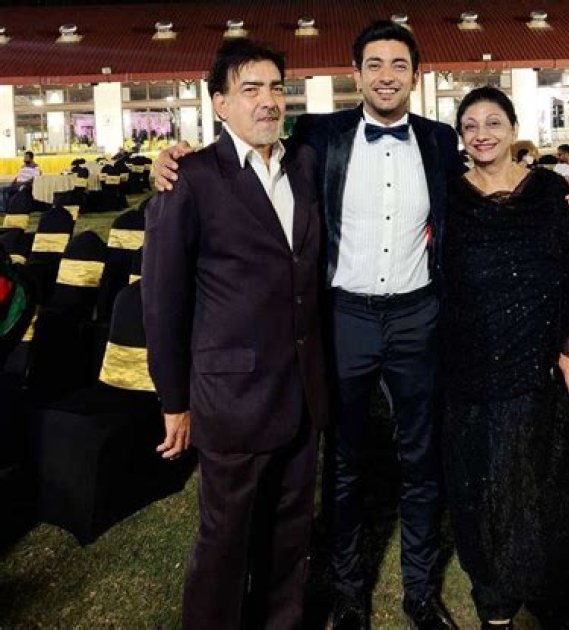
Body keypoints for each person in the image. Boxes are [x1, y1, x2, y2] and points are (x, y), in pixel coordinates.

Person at [153, 22, 569, 630]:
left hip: (418, 317)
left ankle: (420, 592)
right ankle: (347, 593)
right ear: (355, 75)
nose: (387, 76)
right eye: (374, 65)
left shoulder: (439, 141)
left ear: (416, 76)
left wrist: (560, 196)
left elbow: (494, 188)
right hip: (344, 318)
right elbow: (247, 148)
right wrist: (171, 159)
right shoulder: (316, 137)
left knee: (422, 460)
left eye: (399, 65)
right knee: (343, 460)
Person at [141, 38, 327, 629]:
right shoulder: (190, 177)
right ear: (220, 103)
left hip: (302, 391)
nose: (268, 100)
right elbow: (162, 300)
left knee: (290, 534)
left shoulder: (305, 163)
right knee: (224, 546)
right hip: (231, 398)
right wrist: (174, 400)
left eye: (276, 87)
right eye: (250, 90)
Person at [441, 87, 569, 629]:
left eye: (493, 122)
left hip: (540, 361)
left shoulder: (552, 193)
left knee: (543, 479)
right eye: (470, 126)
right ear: (461, 136)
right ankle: (493, 598)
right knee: (481, 480)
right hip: (470, 361)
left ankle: (547, 589)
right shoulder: (448, 196)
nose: (482, 134)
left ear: (514, 127)